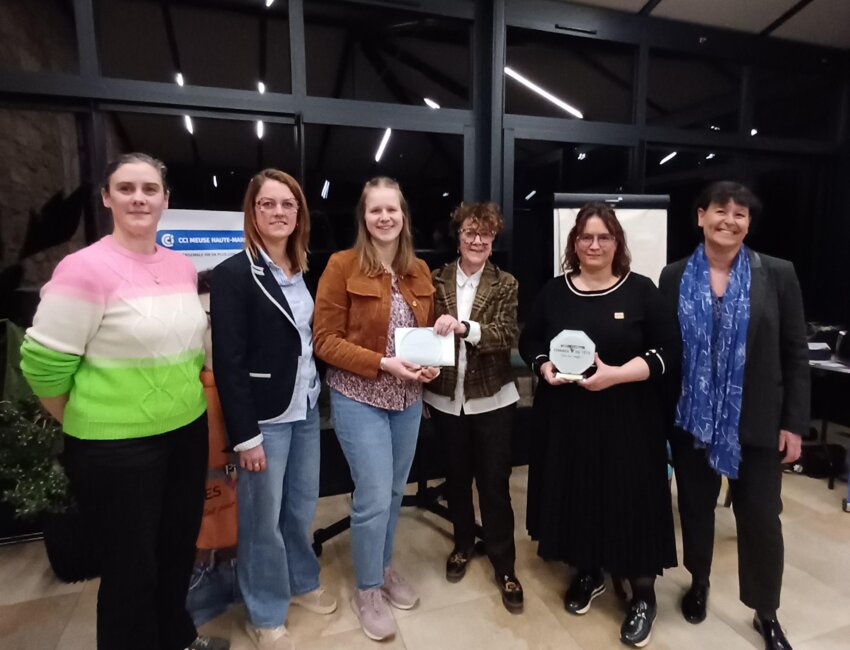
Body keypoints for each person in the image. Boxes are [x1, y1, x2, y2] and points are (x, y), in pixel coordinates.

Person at [19, 153, 228, 650]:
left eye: (150, 189)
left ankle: (177, 638)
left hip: (185, 432)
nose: (139, 198)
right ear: (107, 198)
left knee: (177, 551)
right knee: (130, 571)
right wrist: (83, 421)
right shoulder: (83, 270)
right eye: (127, 188)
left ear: (165, 201)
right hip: (114, 449)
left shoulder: (180, 267)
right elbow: (42, 366)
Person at [519, 202, 679, 647]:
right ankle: (589, 570)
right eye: (585, 237)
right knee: (578, 492)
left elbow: (669, 352)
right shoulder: (554, 292)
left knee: (632, 498)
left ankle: (643, 593)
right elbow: (530, 339)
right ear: (573, 243)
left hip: (629, 421)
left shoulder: (642, 291)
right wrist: (543, 365)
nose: (594, 245)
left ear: (616, 243)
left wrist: (616, 375)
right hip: (568, 420)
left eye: (603, 237)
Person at [659, 181, 809, 650]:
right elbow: (666, 351)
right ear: (699, 216)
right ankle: (698, 582)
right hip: (693, 422)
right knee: (696, 509)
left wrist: (794, 424)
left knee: (762, 518)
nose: (729, 220)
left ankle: (767, 612)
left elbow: (795, 353)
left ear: (748, 223)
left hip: (759, 422)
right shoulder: (674, 275)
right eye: (719, 211)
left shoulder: (778, 274)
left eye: (740, 214)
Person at [211, 169, 336, 650]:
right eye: (268, 204)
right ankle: (263, 611)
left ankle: (301, 582)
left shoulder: (304, 269)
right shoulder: (233, 274)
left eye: (288, 204)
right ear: (253, 212)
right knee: (262, 520)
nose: (279, 212)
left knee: (301, 506)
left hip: (304, 406)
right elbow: (229, 362)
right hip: (265, 417)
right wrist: (246, 437)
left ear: (299, 212)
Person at [313, 176, 438, 642]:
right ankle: (367, 589)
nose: (384, 217)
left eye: (392, 209)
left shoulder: (418, 271)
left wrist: (429, 363)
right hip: (359, 397)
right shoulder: (341, 266)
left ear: (403, 216)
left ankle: (383, 568)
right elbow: (324, 341)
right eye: (375, 210)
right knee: (371, 496)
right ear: (363, 218)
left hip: (408, 400)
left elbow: (424, 338)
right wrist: (384, 363)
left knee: (391, 494)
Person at [423, 202, 524, 613]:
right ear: (458, 236)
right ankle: (463, 544)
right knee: (457, 480)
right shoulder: (435, 279)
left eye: (485, 234)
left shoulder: (505, 283)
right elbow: (422, 331)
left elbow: (504, 336)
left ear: (494, 239)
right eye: (470, 233)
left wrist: (466, 328)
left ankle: (505, 565)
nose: (477, 240)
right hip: (446, 399)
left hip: (493, 399)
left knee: (495, 486)